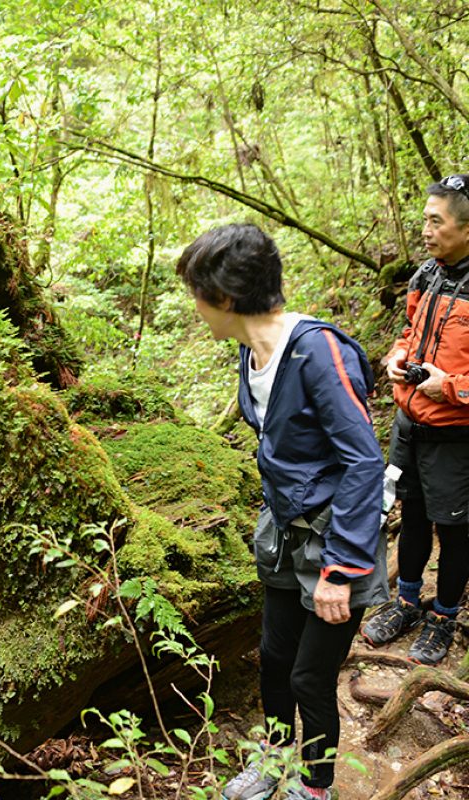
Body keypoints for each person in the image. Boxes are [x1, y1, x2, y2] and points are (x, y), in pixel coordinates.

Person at [176, 223, 387, 800]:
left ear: (224, 297)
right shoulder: (251, 352)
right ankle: (271, 763)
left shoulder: (317, 352)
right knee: (273, 658)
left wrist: (341, 570)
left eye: (197, 294)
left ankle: (316, 787)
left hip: (335, 540)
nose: (195, 307)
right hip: (283, 533)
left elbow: (364, 462)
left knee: (309, 677)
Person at [361, 174, 469, 665]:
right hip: (409, 425)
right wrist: (396, 358)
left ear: (465, 229)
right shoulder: (427, 274)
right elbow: (409, 330)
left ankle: (443, 616)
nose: (425, 231)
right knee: (413, 515)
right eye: (424, 219)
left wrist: (449, 386)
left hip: (455, 435)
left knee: (454, 528)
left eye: (435, 221)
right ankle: (405, 602)